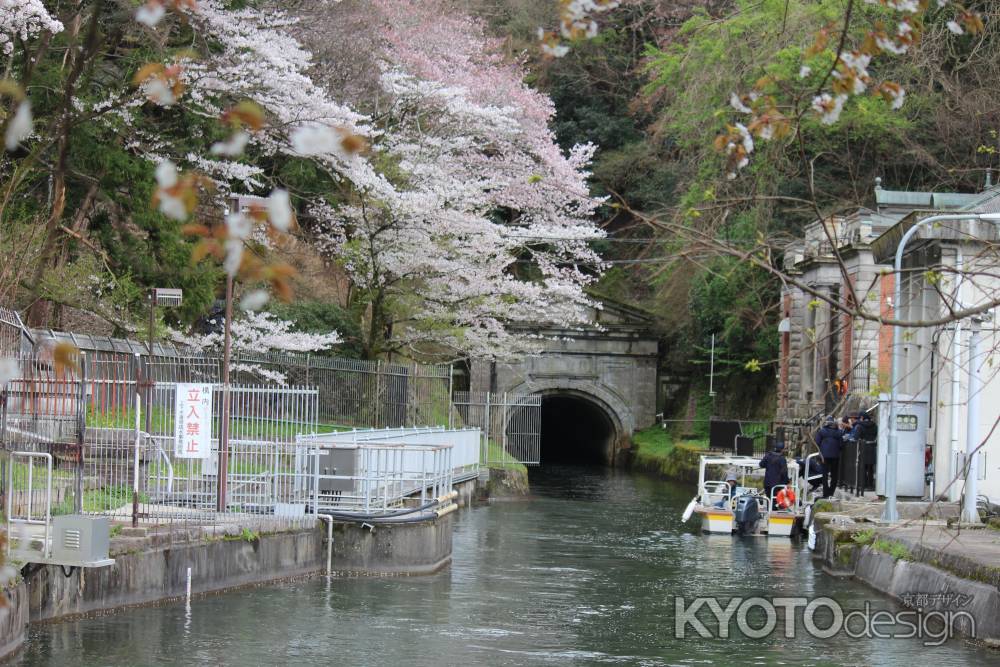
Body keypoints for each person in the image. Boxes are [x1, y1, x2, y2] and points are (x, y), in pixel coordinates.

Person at [815, 416, 843, 498]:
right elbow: (841, 445)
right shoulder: (839, 432)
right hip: (835, 456)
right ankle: (831, 492)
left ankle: (825, 493)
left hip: (824, 456)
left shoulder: (821, 431)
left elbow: (817, 442)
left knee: (825, 475)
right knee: (834, 475)